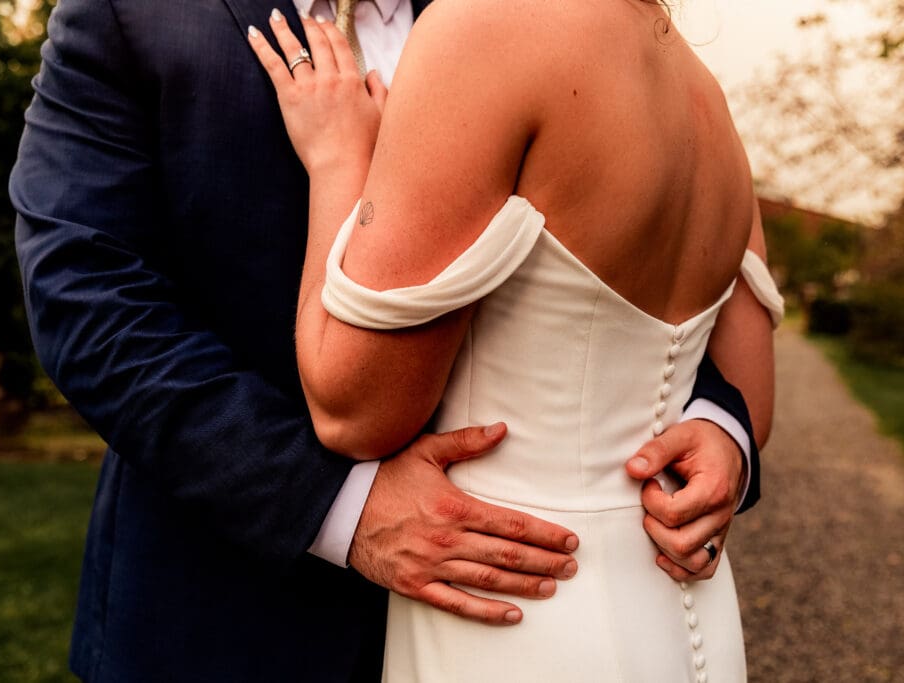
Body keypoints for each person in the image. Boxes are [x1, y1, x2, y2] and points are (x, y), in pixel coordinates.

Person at [9, 0, 774, 680]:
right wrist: (339, 507)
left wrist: (719, 426)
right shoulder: (129, 14)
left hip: (508, 604)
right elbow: (86, 297)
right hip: (228, 612)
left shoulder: (492, 22)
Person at [246, 0, 783, 680]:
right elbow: (749, 406)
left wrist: (338, 161)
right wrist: (723, 433)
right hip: (690, 613)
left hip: (519, 609)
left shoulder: (485, 26)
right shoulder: (706, 99)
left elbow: (354, 412)